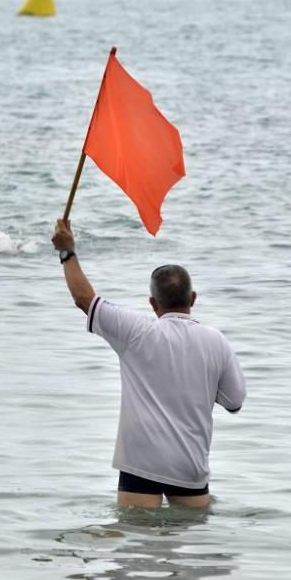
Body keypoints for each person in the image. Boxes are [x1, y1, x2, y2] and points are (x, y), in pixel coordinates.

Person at [51, 218, 247, 509]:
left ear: (153, 304)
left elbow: (84, 299)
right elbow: (235, 401)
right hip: (189, 465)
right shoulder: (216, 341)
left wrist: (67, 252)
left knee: (137, 545)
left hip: (141, 462)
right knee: (193, 546)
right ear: (192, 298)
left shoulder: (136, 331)